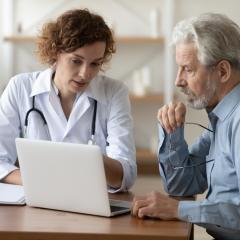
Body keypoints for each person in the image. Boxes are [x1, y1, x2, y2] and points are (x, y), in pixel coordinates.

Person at [0, 9, 136, 193]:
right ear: (55, 53)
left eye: (95, 64)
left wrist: (91, 160)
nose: (85, 74)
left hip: (91, 202)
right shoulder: (20, 87)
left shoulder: (114, 93)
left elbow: (125, 175)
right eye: (76, 61)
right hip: (37, 199)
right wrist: (38, 181)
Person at [132, 13, 240, 239]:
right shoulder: (221, 118)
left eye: (188, 69)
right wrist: (172, 132)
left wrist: (178, 210)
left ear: (222, 71)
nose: (178, 80)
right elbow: (181, 185)